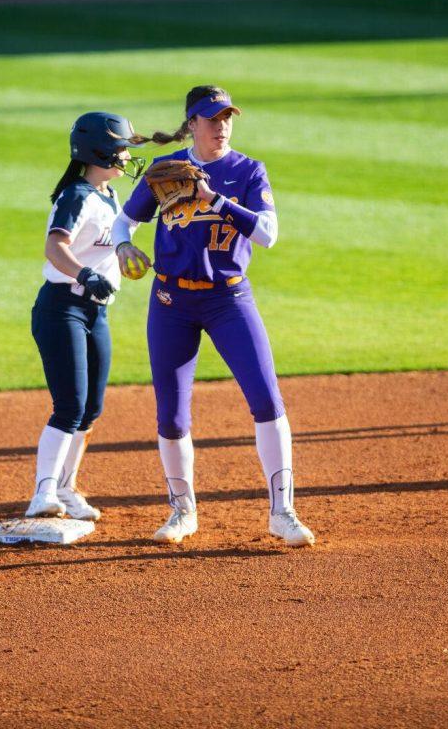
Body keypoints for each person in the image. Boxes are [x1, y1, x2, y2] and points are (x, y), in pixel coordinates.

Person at [111, 85, 315, 547]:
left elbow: (267, 235)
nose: (221, 126)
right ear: (192, 124)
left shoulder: (247, 171)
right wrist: (124, 243)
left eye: (227, 117)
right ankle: (182, 512)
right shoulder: (166, 171)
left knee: (266, 399)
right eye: (211, 118)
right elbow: (124, 221)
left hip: (229, 299)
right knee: (172, 415)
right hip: (171, 303)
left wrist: (216, 200)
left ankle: (282, 512)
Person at [25, 112, 148, 519]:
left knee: (91, 408)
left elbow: (106, 243)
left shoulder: (109, 196)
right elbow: (54, 248)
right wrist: (85, 273)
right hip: (62, 309)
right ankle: (43, 494)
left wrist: (126, 254)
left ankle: (67, 487)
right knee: (70, 406)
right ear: (101, 150)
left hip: (96, 314)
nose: (128, 155)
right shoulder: (76, 195)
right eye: (123, 148)